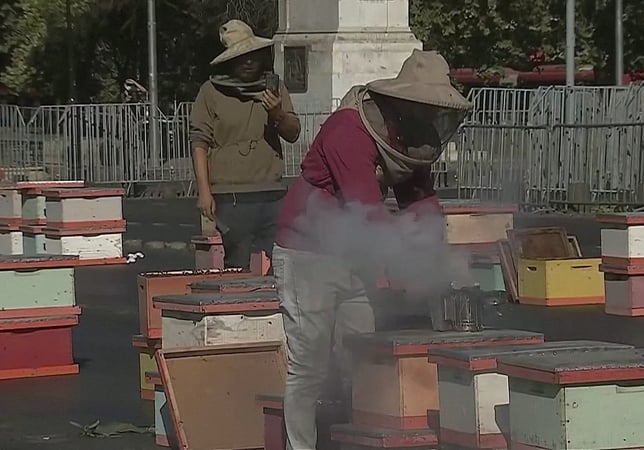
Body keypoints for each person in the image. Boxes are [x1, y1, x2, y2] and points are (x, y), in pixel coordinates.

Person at [272, 49, 471, 450]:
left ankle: (354, 440)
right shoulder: (348, 130)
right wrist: (404, 270)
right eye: (424, 108)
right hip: (307, 253)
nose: (430, 120)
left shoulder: (411, 139)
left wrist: (444, 260)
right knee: (309, 364)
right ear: (402, 104)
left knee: (360, 358)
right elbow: (367, 212)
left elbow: (419, 202)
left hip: (353, 258)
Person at [190, 19, 300, 269]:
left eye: (253, 55)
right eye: (242, 57)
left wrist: (277, 114)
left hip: (270, 192)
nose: (249, 61)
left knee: (278, 266)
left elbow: (293, 132)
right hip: (230, 196)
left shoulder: (274, 88)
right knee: (237, 265)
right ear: (229, 60)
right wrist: (204, 191)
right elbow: (199, 142)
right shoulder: (210, 92)